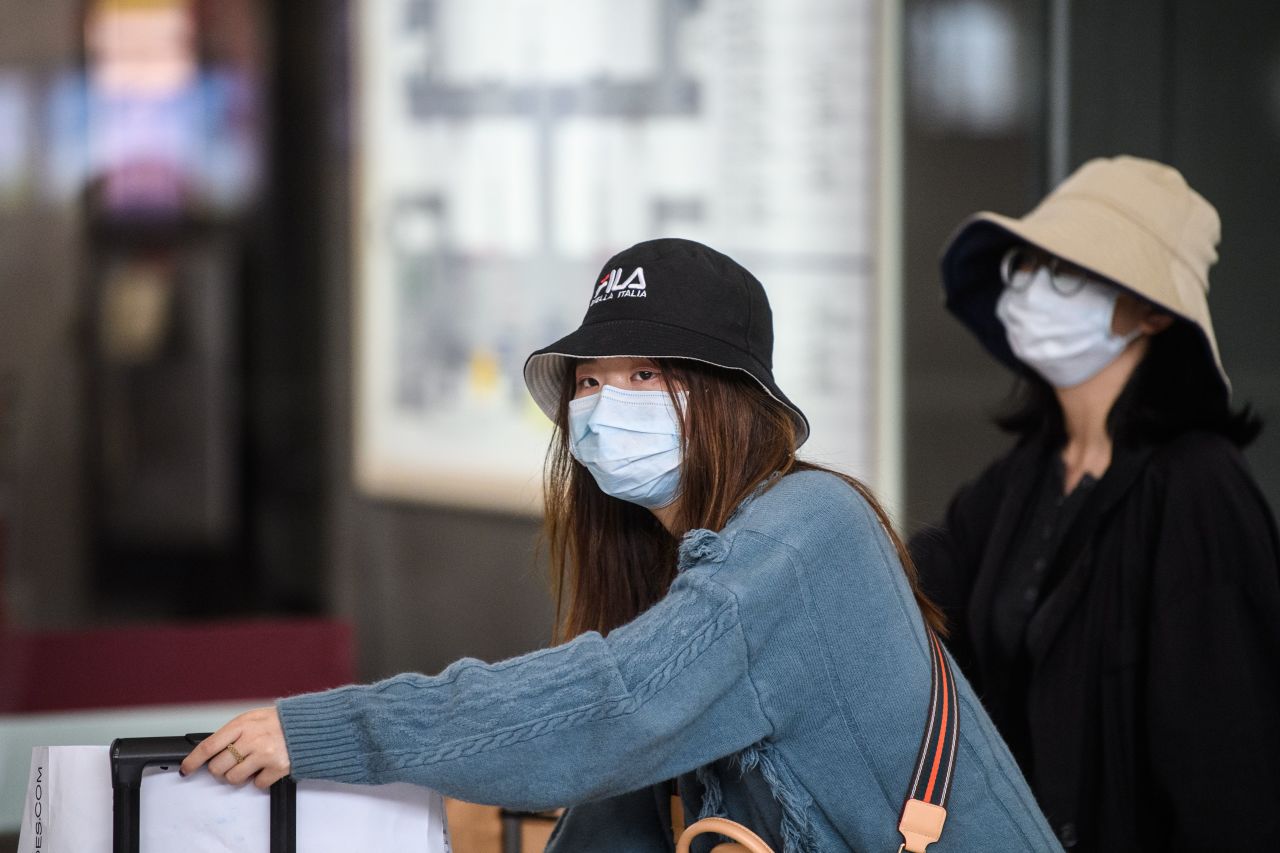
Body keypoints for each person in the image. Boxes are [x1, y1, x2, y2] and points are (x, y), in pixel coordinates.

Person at [182, 238, 1060, 851]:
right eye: (592, 381)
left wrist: (334, 732)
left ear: (730, 400)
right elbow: (628, 808)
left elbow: (612, 708)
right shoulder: (685, 567)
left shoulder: (805, 533)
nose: (606, 404)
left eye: (646, 375)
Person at [911, 156, 1280, 852]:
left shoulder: (1201, 488)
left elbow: (1233, 777)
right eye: (1022, 264)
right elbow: (911, 601)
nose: (1028, 288)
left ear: (1151, 310)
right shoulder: (1015, 483)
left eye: (1066, 270)